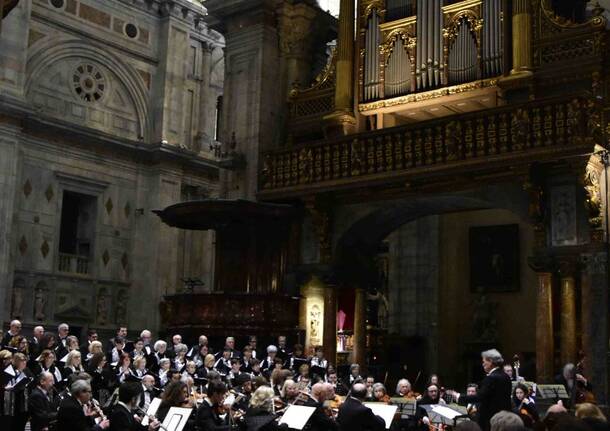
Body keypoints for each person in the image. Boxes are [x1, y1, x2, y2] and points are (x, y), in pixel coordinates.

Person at [449, 349, 512, 431]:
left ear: (491, 361)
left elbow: (480, 397)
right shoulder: (506, 376)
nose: (482, 364)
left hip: (491, 419)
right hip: (504, 418)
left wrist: (459, 396)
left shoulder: (491, 378)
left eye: (484, 361)